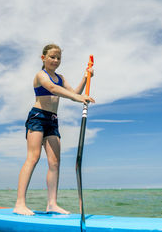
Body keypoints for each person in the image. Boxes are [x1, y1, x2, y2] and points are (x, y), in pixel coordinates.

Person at [13, 44, 95, 216]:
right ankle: (20, 204)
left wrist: (86, 78)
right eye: (52, 57)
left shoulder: (60, 77)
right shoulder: (40, 75)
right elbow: (53, 89)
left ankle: (52, 204)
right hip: (37, 117)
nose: (56, 60)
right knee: (33, 158)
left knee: (55, 163)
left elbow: (73, 93)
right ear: (43, 58)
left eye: (58, 58)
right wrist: (79, 98)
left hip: (52, 121)